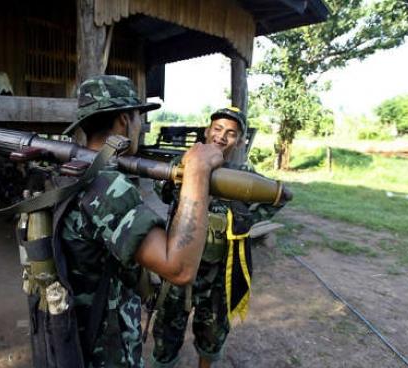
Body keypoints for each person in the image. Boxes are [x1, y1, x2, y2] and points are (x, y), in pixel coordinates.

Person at [25, 75, 224, 368]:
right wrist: (197, 172)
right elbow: (178, 268)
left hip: (74, 337)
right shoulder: (106, 186)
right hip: (104, 353)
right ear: (123, 121)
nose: (140, 126)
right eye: (138, 118)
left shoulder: (69, 171)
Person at [150, 107, 289, 368]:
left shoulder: (245, 175)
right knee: (167, 330)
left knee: (212, 332)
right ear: (207, 131)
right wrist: (188, 174)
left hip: (219, 272)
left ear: (239, 140)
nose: (222, 137)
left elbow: (279, 197)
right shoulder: (186, 162)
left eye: (231, 133)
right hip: (179, 263)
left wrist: (247, 217)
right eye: (217, 129)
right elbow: (163, 191)